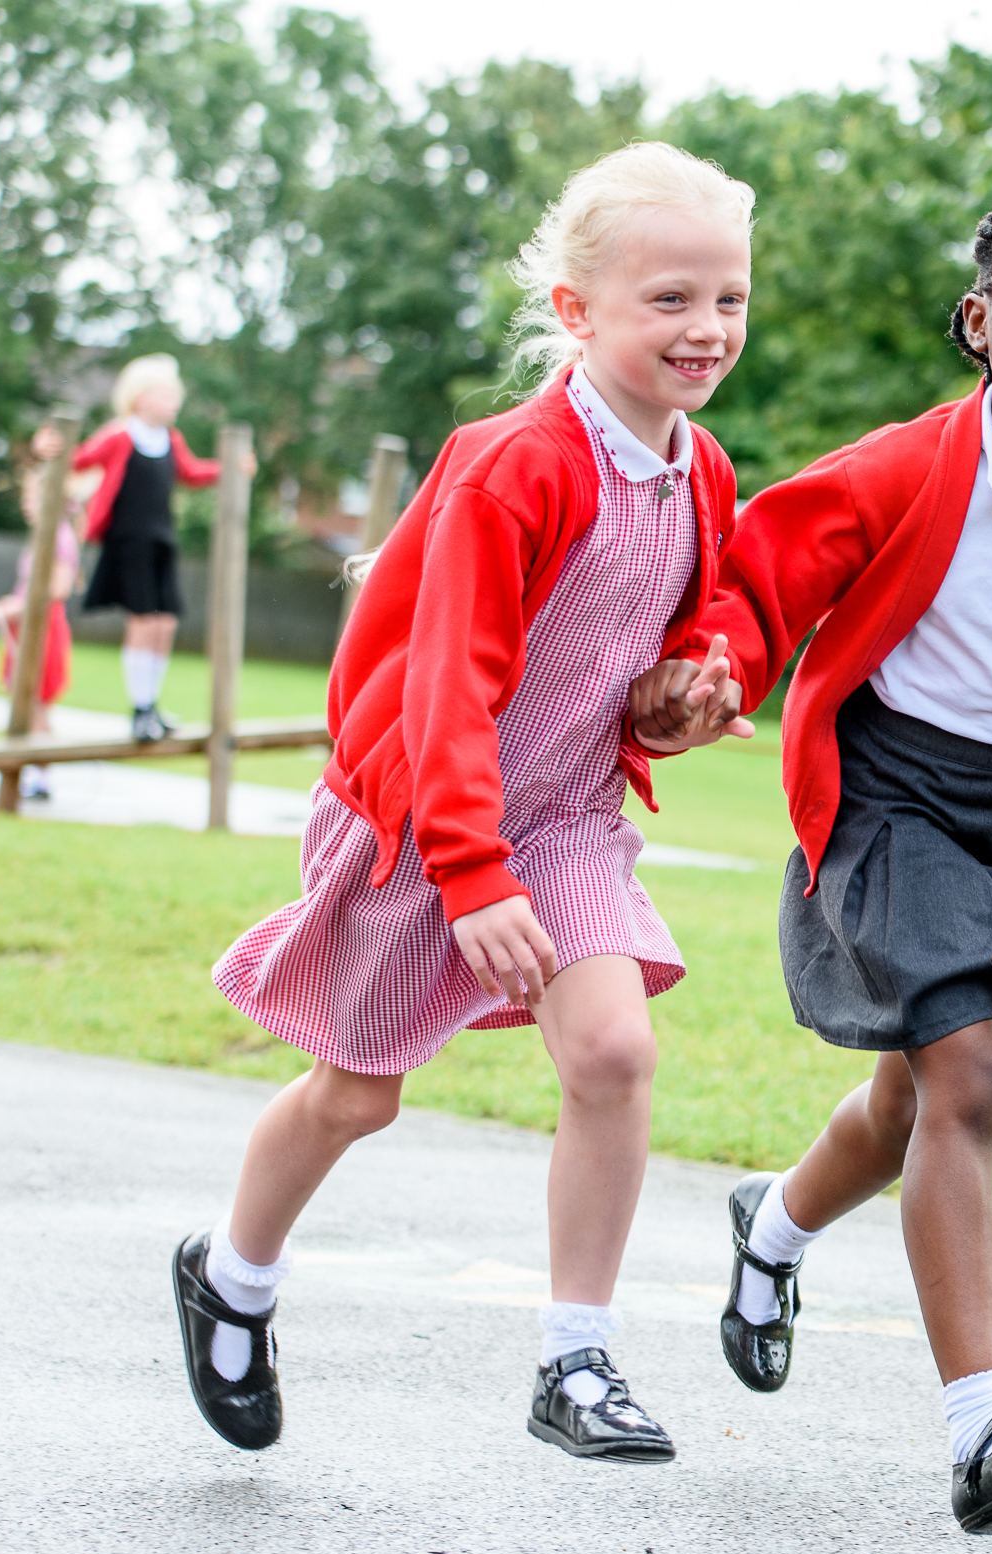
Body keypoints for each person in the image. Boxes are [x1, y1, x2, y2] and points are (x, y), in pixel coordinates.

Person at [637, 171, 992, 1536]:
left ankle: (772, 1227)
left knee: (913, 1102)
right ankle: (984, 1428)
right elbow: (762, 573)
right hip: (889, 798)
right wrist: (714, 665)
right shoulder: (907, 465)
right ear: (979, 320)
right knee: (972, 1076)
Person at [182, 142, 757, 1460]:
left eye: (728, 297)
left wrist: (682, 698)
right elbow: (445, 693)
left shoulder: (704, 472)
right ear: (577, 309)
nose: (706, 327)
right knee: (357, 1093)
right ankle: (232, 1276)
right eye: (670, 298)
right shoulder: (515, 467)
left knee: (612, 1053)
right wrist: (471, 872)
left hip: (566, 816)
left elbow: (663, 646)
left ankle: (576, 1361)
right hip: (422, 818)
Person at [33, 355, 244, 742]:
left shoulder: (171, 440)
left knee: (165, 623)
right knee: (143, 621)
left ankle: (152, 704)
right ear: (140, 398)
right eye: (166, 395)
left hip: (162, 539)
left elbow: (192, 472)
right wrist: (49, 445)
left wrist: (230, 467)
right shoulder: (121, 436)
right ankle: (140, 709)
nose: (174, 403)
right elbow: (77, 459)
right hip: (130, 540)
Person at [0, 461, 85, 799]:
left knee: (35, 703)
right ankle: (31, 770)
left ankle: (41, 776)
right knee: (26, 702)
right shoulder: (44, 535)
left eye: (33, 497)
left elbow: (57, 589)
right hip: (28, 625)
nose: (26, 504)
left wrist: (13, 608)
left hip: (43, 627)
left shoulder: (59, 537)